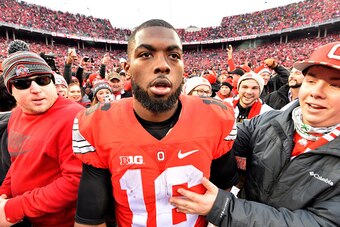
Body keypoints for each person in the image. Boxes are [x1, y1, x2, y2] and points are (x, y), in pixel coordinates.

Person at [72, 19, 237, 227]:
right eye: (146, 54)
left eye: (174, 56)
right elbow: (90, 220)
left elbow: (224, 198)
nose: (162, 65)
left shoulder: (215, 116)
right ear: (128, 68)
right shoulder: (97, 123)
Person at [170, 41, 340, 226]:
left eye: (335, 85)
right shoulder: (268, 121)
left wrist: (224, 208)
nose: (316, 92)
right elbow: (219, 140)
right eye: (311, 80)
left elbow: (318, 223)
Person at [0, 51, 84, 226]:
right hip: (27, 218)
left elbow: (76, 181)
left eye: (43, 80)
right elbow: (18, 161)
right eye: (23, 83)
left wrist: (14, 208)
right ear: (11, 90)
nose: (36, 89)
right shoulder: (16, 116)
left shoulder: (73, 117)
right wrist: (4, 193)